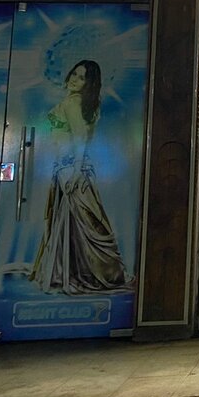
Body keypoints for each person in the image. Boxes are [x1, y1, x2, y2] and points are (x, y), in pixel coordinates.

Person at [29, 59, 131, 294]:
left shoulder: (73, 103)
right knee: (78, 224)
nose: (75, 79)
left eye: (82, 77)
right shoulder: (86, 103)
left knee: (83, 224)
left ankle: (95, 273)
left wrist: (74, 172)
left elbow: (80, 137)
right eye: (74, 74)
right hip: (72, 168)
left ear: (89, 83)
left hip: (70, 169)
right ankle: (78, 272)